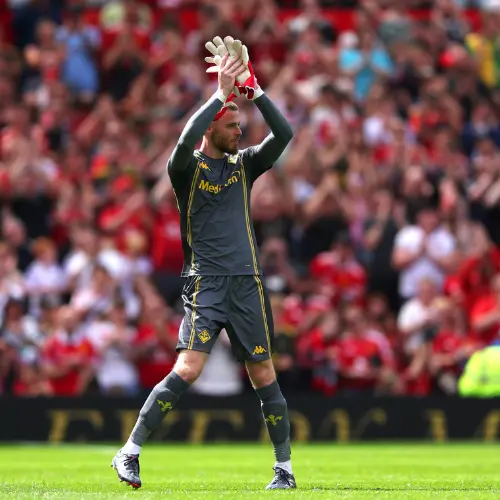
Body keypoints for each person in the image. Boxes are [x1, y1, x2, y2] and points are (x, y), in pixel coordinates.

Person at [111, 46, 295, 490]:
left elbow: (284, 134)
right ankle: (129, 451)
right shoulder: (186, 169)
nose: (239, 131)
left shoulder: (244, 165)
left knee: (264, 373)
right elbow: (182, 140)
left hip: (247, 284)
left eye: (239, 124)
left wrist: (253, 91)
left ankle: (284, 470)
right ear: (211, 128)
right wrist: (219, 94)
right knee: (188, 368)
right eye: (232, 125)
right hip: (206, 284)